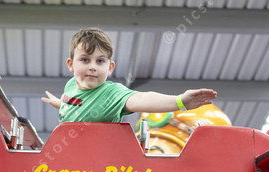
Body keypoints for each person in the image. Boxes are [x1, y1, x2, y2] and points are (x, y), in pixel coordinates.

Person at [41, 28, 217, 123]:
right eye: (85, 60)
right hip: (66, 166)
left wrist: (180, 101)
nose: (92, 67)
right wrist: (61, 105)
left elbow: (142, 99)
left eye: (100, 61)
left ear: (110, 67)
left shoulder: (112, 94)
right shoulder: (71, 86)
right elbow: (80, 106)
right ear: (71, 65)